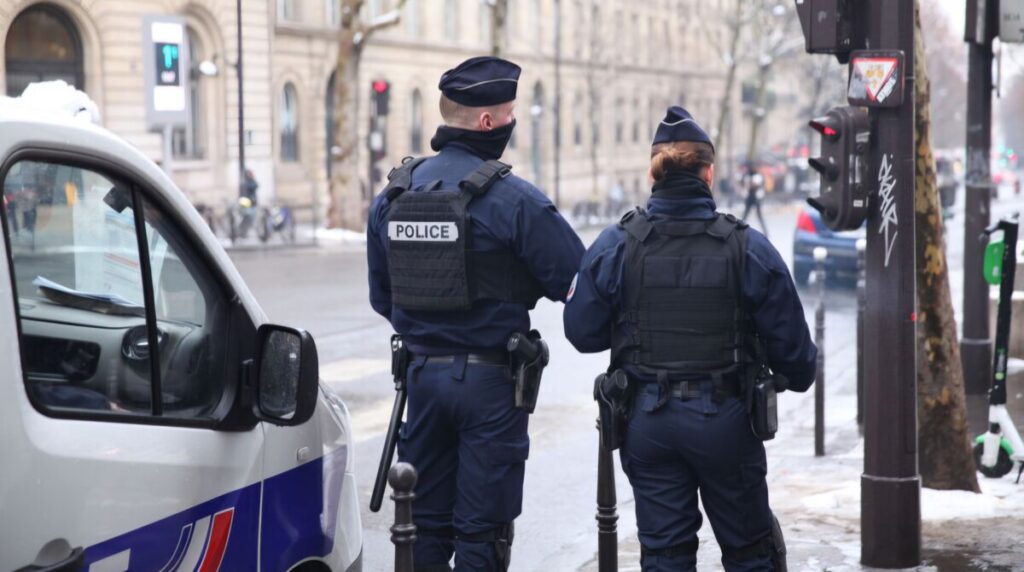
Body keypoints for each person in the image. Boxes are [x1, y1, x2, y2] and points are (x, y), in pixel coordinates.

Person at [564, 106, 817, 571]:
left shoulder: (617, 244)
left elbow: (581, 333)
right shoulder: (747, 247)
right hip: (727, 420)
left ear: (653, 173)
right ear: (709, 173)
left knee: (665, 556)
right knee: (751, 552)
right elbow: (799, 362)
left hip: (648, 421)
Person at [366, 56, 584, 571]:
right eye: (509, 114)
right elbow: (580, 285)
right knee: (482, 534)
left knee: (422, 529)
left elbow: (383, 298)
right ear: (488, 122)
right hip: (490, 387)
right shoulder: (515, 201)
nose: (512, 122)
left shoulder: (394, 195)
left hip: (421, 381)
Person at [741, 160, 769, 238]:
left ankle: (766, 232)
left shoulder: (758, 176)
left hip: (756, 198)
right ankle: (739, 229)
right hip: (749, 197)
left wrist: (754, 186)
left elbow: (760, 186)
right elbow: (744, 184)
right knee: (745, 215)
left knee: (759, 216)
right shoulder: (747, 176)